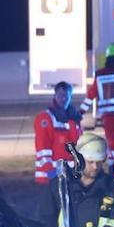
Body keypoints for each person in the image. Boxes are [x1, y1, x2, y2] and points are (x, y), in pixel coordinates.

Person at [33, 81, 82, 219]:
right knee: (48, 211)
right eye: (60, 95)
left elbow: (77, 144)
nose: (64, 98)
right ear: (55, 95)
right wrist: (50, 170)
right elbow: (43, 148)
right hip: (51, 174)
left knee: (65, 212)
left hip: (69, 174)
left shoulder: (73, 117)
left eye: (67, 95)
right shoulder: (46, 117)